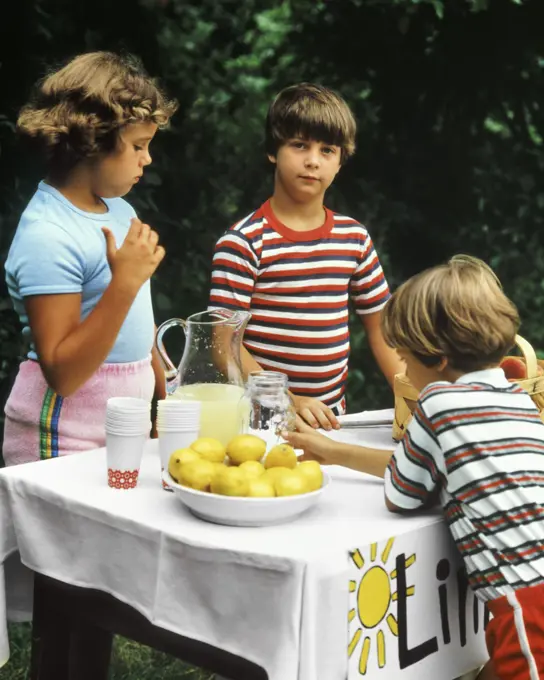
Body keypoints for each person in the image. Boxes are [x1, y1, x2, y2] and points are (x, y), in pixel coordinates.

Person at [285, 255, 544, 680]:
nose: (402, 371)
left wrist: (340, 455)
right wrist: (333, 451)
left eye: (405, 359)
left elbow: (402, 493)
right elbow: (428, 465)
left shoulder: (438, 404)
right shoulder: (518, 400)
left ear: (438, 359)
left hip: (526, 601)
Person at [3, 51, 177, 466]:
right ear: (93, 139)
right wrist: (125, 283)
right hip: (61, 436)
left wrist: (163, 395)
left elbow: (137, 314)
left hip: (123, 424)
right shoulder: (48, 234)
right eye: (138, 145)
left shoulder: (120, 211)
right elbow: (63, 374)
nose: (147, 159)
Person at [208, 82, 403, 431]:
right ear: (273, 151)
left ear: (341, 161)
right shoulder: (243, 242)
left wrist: (412, 398)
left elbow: (383, 329)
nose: (313, 161)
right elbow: (224, 345)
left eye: (327, 150)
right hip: (257, 420)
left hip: (330, 422)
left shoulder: (354, 238)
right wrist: (288, 399)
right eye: (299, 145)